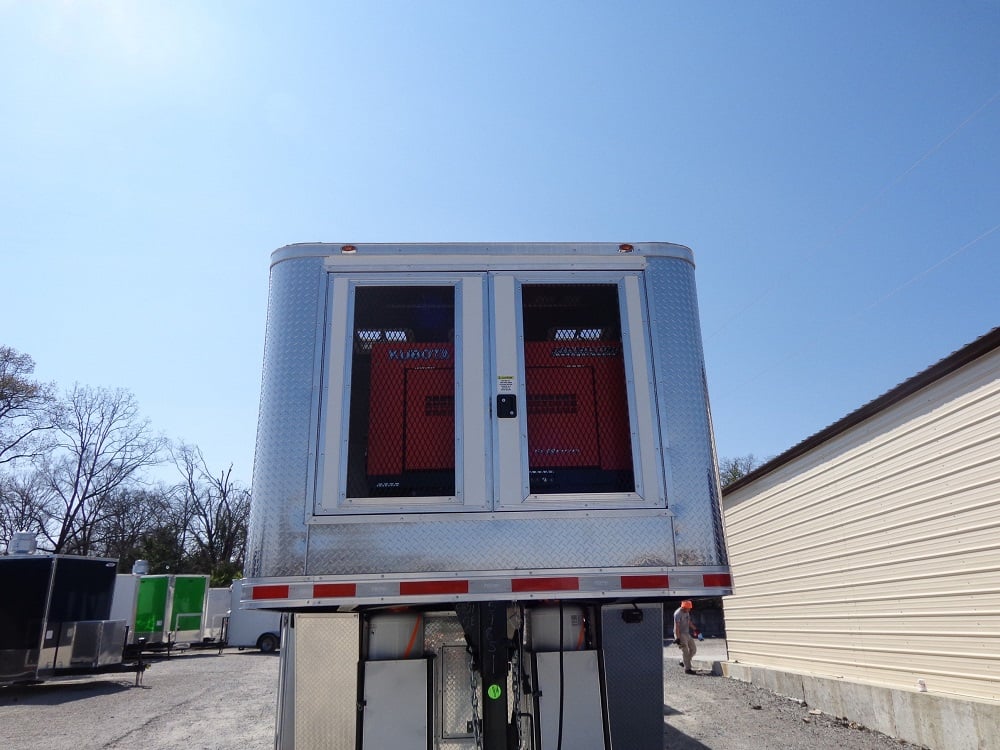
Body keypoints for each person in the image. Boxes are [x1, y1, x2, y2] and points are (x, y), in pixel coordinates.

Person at [673, 600, 699, 674]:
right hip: (679, 634)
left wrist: (696, 630)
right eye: (689, 608)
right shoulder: (677, 614)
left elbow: (689, 622)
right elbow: (676, 627)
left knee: (693, 649)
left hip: (686, 633)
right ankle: (687, 669)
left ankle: (683, 661)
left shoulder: (686, 612)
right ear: (684, 607)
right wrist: (677, 638)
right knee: (685, 651)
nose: (690, 609)